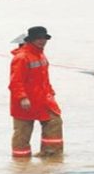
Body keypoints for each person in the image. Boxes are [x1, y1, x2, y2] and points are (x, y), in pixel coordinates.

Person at [9, 26, 63, 158]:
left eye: (44, 38)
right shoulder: (21, 57)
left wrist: (51, 93)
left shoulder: (40, 54)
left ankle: (51, 157)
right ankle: (21, 164)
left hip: (44, 99)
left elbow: (44, 78)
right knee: (22, 133)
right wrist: (22, 98)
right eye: (38, 38)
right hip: (25, 102)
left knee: (55, 123)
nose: (42, 41)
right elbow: (16, 82)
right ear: (30, 40)